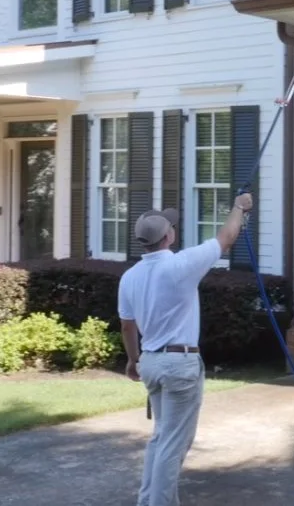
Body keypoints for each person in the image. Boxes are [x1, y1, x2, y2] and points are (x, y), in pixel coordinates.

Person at [117, 192, 254, 506]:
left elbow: (127, 325)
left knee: (161, 437)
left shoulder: (129, 277)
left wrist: (132, 360)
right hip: (179, 365)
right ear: (169, 236)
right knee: (173, 444)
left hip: (150, 362)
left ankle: (148, 501)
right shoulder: (180, 266)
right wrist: (239, 207)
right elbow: (226, 237)